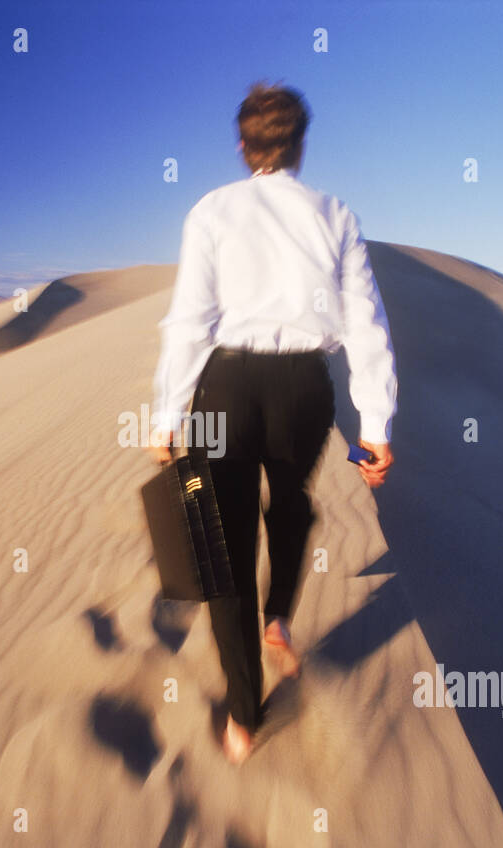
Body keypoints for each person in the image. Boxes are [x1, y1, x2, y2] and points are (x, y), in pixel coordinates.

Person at [148, 82, 398, 765]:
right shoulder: (335, 214)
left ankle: (243, 716)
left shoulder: (212, 211)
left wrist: (167, 413)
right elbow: (365, 326)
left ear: (243, 145)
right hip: (305, 388)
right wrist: (374, 423)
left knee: (224, 547)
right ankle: (278, 617)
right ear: (299, 144)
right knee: (289, 505)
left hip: (226, 387)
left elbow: (189, 321)